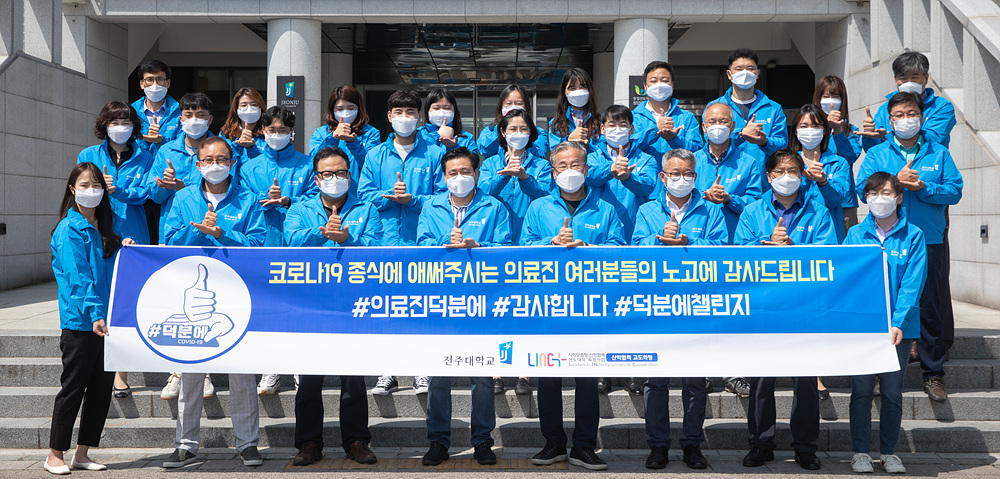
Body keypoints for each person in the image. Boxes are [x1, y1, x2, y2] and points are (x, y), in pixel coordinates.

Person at [160, 137, 266, 469]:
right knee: (191, 372)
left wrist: (222, 234)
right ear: (198, 164)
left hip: (237, 293)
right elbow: (169, 241)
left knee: (242, 375)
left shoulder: (248, 199)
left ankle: (247, 443)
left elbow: (258, 243)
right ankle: (185, 444)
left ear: (232, 163)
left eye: (222, 159)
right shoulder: (183, 198)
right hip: (193, 295)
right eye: (208, 160)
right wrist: (199, 232)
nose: (215, 165)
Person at [522, 141, 624, 471]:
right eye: (563, 166)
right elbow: (521, 249)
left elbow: (620, 250)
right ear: (553, 173)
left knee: (587, 378)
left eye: (576, 164)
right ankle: (553, 443)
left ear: (587, 169)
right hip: (548, 304)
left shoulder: (605, 209)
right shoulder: (538, 208)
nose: (570, 171)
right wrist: (549, 243)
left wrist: (589, 248)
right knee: (548, 377)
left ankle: (584, 446)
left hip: (589, 305)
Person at [856, 92, 963, 403]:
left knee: (930, 306)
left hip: (927, 238)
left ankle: (933, 373)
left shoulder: (938, 152)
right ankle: (880, 371)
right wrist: (896, 182)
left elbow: (954, 191)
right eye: (899, 115)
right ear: (890, 121)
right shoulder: (877, 154)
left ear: (922, 117)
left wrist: (925, 188)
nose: (906, 120)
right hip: (885, 239)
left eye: (911, 113)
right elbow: (863, 190)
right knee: (883, 304)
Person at [734, 149, 837, 471]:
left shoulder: (817, 212)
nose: (786, 176)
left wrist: (795, 248)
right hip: (764, 306)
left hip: (803, 307)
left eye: (793, 170)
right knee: (761, 380)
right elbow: (736, 254)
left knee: (805, 380)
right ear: (769, 177)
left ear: (802, 175)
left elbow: (829, 255)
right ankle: (760, 444)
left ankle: (805, 447)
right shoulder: (752, 212)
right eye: (779, 171)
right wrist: (764, 244)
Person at [283, 147, 380, 467]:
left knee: (353, 376)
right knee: (310, 377)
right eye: (327, 174)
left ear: (350, 176)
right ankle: (309, 442)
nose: (334, 178)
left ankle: (356, 440)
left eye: (340, 173)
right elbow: (290, 241)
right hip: (311, 302)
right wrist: (322, 232)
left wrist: (348, 239)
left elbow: (379, 248)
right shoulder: (300, 208)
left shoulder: (366, 209)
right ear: (316, 178)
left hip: (351, 302)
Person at [632, 149, 726, 470]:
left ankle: (692, 445)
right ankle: (658, 445)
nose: (681, 179)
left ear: (695, 176)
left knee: (695, 381)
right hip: (657, 304)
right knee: (655, 381)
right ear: (663, 177)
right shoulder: (647, 210)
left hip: (696, 304)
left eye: (687, 173)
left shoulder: (711, 211)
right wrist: (658, 240)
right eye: (675, 173)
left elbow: (722, 250)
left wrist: (690, 243)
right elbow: (634, 249)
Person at [416, 147, 511, 467]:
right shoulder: (431, 206)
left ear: (477, 174)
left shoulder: (493, 206)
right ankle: (438, 441)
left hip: (482, 301)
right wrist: (444, 243)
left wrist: (478, 246)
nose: (459, 177)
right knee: (438, 375)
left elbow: (506, 249)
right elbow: (421, 245)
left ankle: (482, 440)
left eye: (465, 171)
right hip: (442, 300)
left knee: (482, 376)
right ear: (444, 177)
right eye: (453, 173)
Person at [358, 88, 445, 395]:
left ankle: (422, 370)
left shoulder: (434, 153)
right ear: (389, 116)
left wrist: (412, 200)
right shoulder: (375, 155)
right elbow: (363, 196)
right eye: (398, 113)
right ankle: (387, 371)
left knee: (421, 306)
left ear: (419, 117)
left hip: (421, 241)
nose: (404, 118)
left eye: (410, 113)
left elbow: (442, 197)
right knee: (386, 307)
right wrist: (389, 197)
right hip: (384, 241)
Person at [45, 162, 125, 475]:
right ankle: (54, 454)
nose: (91, 191)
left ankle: (82, 453)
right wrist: (94, 313)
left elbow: (109, 270)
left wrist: (123, 247)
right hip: (81, 323)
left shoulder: (104, 226)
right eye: (84, 185)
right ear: (72, 189)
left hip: (105, 321)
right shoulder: (69, 229)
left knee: (101, 390)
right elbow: (79, 279)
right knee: (73, 388)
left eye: (96, 185)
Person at [846, 172, 927, 475]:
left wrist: (898, 321)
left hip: (899, 329)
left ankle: (888, 453)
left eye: (886, 193)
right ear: (865, 198)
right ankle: (860, 452)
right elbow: (847, 280)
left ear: (899, 197)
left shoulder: (913, 235)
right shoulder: (855, 234)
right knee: (861, 391)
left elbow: (912, 284)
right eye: (872, 193)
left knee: (892, 391)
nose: (879, 199)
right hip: (864, 329)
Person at [146, 93, 223, 401]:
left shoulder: (219, 148)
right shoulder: (167, 150)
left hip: (215, 235)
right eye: (188, 115)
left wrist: (185, 186)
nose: (194, 120)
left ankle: (204, 371)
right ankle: (178, 370)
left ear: (210, 119)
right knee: (179, 303)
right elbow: (153, 195)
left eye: (200, 115)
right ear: (180, 119)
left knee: (208, 302)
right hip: (177, 234)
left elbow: (226, 184)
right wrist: (165, 185)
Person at [76, 100, 155, 400]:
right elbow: (80, 190)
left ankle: (121, 374)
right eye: (114, 121)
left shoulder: (146, 155)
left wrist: (119, 190)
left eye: (126, 121)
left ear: (134, 126)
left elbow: (150, 192)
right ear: (104, 125)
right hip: (99, 230)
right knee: (101, 294)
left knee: (127, 300)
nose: (120, 127)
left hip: (133, 234)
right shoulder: (89, 155)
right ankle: (97, 365)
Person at [585, 104, 658, 243]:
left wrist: (629, 178)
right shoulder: (592, 157)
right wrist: (610, 169)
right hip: (598, 225)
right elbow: (589, 176)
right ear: (603, 129)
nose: (617, 129)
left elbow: (647, 187)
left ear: (632, 129)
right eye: (612, 125)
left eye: (623, 125)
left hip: (633, 226)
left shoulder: (646, 159)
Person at [695, 103, 764, 244]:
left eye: (723, 121)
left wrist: (729, 199)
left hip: (736, 239)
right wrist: (704, 196)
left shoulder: (748, 163)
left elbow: (755, 205)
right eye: (712, 122)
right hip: (699, 241)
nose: (717, 126)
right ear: (704, 127)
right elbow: (682, 200)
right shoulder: (692, 162)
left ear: (732, 126)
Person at [859, 51, 957, 150]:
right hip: (890, 160)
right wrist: (869, 134)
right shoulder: (884, 109)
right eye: (903, 78)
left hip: (928, 159)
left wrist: (891, 136)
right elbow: (872, 149)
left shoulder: (941, 107)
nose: (909, 83)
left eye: (914, 78)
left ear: (926, 78)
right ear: (895, 80)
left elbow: (934, 139)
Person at [787, 104, 852, 243]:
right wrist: (805, 179)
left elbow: (837, 200)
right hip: (795, 235)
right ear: (796, 131)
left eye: (816, 126)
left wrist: (823, 182)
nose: (810, 130)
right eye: (804, 126)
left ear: (824, 131)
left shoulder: (838, 163)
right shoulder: (787, 163)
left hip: (829, 235)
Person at [708, 48, 788, 159]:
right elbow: (711, 145)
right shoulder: (715, 107)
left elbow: (782, 146)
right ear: (729, 74)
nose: (745, 73)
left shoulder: (773, 108)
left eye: (750, 68)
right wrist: (742, 134)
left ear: (757, 73)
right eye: (739, 69)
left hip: (762, 170)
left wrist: (764, 142)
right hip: (728, 170)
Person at [813, 75, 863, 233]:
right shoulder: (810, 130)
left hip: (844, 203)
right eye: (826, 96)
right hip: (814, 200)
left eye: (835, 96)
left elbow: (850, 157)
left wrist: (838, 130)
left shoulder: (851, 130)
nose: (830, 101)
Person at [632, 61, 703, 160]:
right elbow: (627, 148)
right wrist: (655, 130)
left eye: (665, 80)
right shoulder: (633, 118)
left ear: (672, 85)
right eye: (653, 81)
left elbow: (697, 151)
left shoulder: (687, 118)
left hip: (677, 170)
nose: (659, 85)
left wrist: (674, 139)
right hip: (644, 170)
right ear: (645, 86)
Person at [308, 85, 381, 180]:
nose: (345, 113)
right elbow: (313, 163)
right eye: (340, 109)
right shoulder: (321, 133)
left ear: (358, 108)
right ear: (332, 109)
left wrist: (354, 143)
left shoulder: (370, 133)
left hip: (359, 189)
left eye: (350, 108)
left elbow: (373, 166)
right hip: (328, 187)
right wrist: (333, 137)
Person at [477, 84, 549, 160]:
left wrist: (525, 137)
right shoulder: (490, 130)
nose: (513, 107)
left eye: (519, 104)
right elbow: (485, 150)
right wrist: (501, 127)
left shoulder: (539, 132)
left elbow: (540, 155)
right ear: (501, 106)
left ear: (526, 106)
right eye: (508, 103)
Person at [130, 59, 181, 154]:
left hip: (167, 163)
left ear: (168, 83)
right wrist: (146, 140)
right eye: (149, 79)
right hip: (139, 163)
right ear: (142, 84)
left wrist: (161, 141)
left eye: (159, 79)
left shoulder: (179, 112)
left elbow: (182, 146)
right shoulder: (131, 112)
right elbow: (126, 145)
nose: (155, 84)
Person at [547, 68, 600, 147]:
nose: (578, 92)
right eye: (572, 88)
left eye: (583, 87)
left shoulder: (601, 120)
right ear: (564, 93)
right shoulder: (555, 124)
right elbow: (555, 151)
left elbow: (605, 149)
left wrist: (587, 145)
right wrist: (569, 141)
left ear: (589, 90)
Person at [419, 88, 479, 154]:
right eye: (436, 108)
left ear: (454, 111)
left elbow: (472, 159)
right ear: (427, 111)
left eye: (447, 108)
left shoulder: (466, 138)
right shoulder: (417, 134)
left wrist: (452, 147)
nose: (441, 113)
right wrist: (437, 135)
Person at [219, 87, 266, 168]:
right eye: (244, 105)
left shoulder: (267, 134)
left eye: (254, 105)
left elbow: (268, 164)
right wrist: (238, 144)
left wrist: (251, 148)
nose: (249, 109)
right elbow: (223, 163)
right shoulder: (226, 134)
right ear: (236, 109)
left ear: (260, 108)